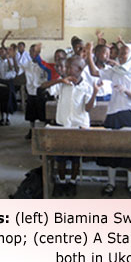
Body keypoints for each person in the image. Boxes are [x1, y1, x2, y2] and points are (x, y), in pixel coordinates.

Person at [87, 43, 131, 197]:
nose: (121, 56)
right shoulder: (115, 70)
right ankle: (111, 183)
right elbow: (95, 72)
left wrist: (126, 90)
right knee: (111, 149)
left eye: (125, 53)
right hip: (114, 113)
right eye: (120, 53)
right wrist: (89, 53)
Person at [40, 55, 98, 197]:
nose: (65, 69)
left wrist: (95, 93)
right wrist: (60, 80)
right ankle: (61, 181)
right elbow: (43, 87)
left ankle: (72, 182)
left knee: (75, 159)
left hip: (79, 127)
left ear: (79, 69)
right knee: (61, 158)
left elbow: (88, 108)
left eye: (69, 66)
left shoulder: (87, 86)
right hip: (62, 125)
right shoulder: (62, 83)